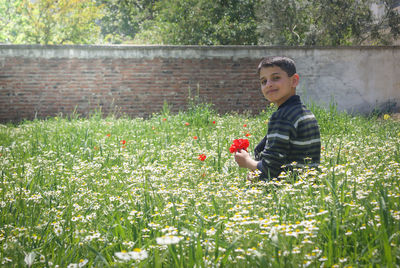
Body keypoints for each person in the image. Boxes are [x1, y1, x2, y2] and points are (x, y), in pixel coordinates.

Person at [234, 56, 321, 181]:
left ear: (294, 81)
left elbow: (270, 170)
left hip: (288, 189)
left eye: (276, 78)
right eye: (263, 81)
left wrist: (247, 162)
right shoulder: (304, 112)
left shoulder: (282, 116)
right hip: (307, 186)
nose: (269, 84)